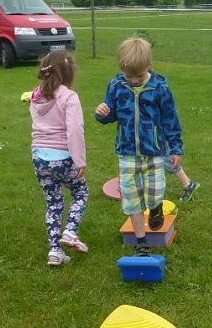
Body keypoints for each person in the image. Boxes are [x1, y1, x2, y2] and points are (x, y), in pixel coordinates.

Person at [95, 37, 184, 256]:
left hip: (154, 153)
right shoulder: (116, 86)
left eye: (139, 76)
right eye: (129, 76)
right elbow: (111, 114)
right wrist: (103, 114)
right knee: (131, 198)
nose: (134, 81)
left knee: (155, 193)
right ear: (121, 69)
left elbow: (170, 119)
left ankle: (155, 209)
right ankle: (141, 242)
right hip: (127, 154)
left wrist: (175, 147)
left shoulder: (160, 88)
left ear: (148, 66)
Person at [27, 50, 89, 266]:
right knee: (80, 192)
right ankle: (70, 231)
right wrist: (80, 160)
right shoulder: (69, 97)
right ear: (69, 73)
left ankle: (55, 251)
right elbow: (75, 131)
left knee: (53, 202)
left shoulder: (35, 96)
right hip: (63, 157)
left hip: (39, 158)